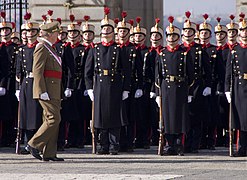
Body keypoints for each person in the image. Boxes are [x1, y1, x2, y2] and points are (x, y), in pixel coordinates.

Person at [85, 7, 131, 155]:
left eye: (108, 29)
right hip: (99, 83)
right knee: (101, 117)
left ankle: (113, 145)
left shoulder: (119, 49)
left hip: (115, 83)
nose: (105, 32)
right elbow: (88, 71)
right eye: (104, 29)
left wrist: (126, 89)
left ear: (113, 32)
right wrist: (90, 88)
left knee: (114, 116)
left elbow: (127, 70)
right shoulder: (95, 48)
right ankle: (102, 144)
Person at [155, 16, 194, 156]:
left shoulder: (184, 54)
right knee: (167, 117)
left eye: (174, 36)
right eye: (169, 36)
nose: (171, 38)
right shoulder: (162, 54)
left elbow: (191, 75)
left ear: (178, 37)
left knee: (180, 117)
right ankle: (168, 144)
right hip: (166, 87)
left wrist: (189, 92)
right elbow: (157, 76)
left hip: (181, 87)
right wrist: (157, 93)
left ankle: (179, 144)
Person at [27, 21, 64, 161]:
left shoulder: (50, 48)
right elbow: (37, 71)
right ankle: (33, 144)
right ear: (50, 34)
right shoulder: (41, 47)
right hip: (46, 90)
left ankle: (49, 153)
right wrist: (41, 90)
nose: (58, 36)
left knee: (50, 119)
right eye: (56, 33)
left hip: (53, 89)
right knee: (54, 119)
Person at [181, 11, 211, 153]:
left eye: (190, 31)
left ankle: (194, 145)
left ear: (195, 34)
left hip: (197, 86)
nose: (187, 33)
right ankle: (183, 143)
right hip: (181, 86)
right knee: (183, 116)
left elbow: (208, 70)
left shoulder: (199, 50)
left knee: (195, 117)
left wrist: (208, 86)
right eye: (185, 31)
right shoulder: (179, 49)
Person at [15, 13, 42, 154]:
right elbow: (18, 71)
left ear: (37, 33)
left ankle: (36, 143)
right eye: (27, 31)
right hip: (25, 83)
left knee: (37, 114)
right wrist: (17, 88)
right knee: (25, 115)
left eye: (32, 31)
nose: (29, 34)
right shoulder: (22, 50)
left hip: (38, 82)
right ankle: (26, 142)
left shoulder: (41, 48)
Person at [225, 13, 247, 157]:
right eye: (243, 31)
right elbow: (229, 71)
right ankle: (242, 147)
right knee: (241, 119)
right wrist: (227, 89)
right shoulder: (234, 50)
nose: (245, 33)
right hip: (239, 86)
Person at [144, 18, 164, 146]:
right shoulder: (147, 52)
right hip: (147, 86)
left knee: (159, 114)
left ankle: (158, 137)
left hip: (160, 86)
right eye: (153, 35)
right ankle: (149, 137)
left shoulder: (163, 52)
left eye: (157, 35)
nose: (155, 38)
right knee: (147, 114)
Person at [0, 11, 18, 147]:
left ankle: (10, 137)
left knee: (12, 112)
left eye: (7, 29)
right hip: (0, 82)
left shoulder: (16, 48)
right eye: (2, 29)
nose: (4, 32)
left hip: (12, 83)